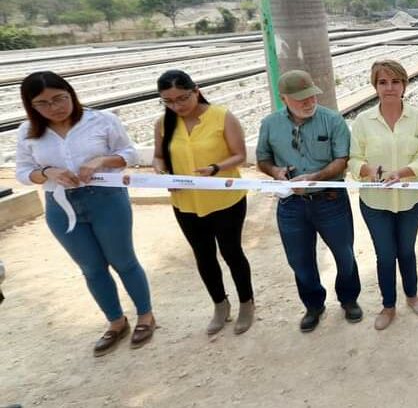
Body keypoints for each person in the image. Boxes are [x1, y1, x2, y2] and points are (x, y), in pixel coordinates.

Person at [15, 71, 155, 356]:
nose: (54, 107)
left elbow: (130, 154)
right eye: (43, 103)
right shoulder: (27, 132)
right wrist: (46, 172)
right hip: (61, 206)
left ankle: (145, 315)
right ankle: (116, 322)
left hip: (106, 200)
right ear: (31, 106)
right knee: (91, 268)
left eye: (59, 98)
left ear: (71, 93)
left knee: (123, 260)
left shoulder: (101, 120)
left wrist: (101, 159)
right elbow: (22, 172)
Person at [256, 69, 360, 333]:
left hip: (330, 200)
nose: (308, 102)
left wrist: (316, 177)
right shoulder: (270, 124)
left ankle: (349, 299)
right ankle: (313, 304)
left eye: (311, 96)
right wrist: (276, 172)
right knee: (299, 260)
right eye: (300, 98)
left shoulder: (333, 120)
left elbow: (342, 160)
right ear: (284, 98)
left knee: (344, 254)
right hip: (291, 205)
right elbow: (263, 159)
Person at [152, 69, 254, 336]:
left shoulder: (221, 117)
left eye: (182, 98)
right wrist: (162, 174)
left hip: (225, 200)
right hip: (186, 203)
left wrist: (215, 167)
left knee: (232, 253)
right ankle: (220, 305)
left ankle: (246, 302)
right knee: (203, 255)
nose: (177, 106)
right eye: (169, 101)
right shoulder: (164, 123)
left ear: (196, 90)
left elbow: (239, 155)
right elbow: (158, 157)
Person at [349, 60, 418, 331]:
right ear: (375, 87)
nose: (389, 87)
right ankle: (388, 305)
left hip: (412, 201)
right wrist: (369, 169)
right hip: (375, 203)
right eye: (383, 82)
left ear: (404, 85)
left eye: (395, 81)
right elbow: (353, 159)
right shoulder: (362, 122)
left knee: (406, 251)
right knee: (385, 255)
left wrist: (405, 172)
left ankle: (412, 295)